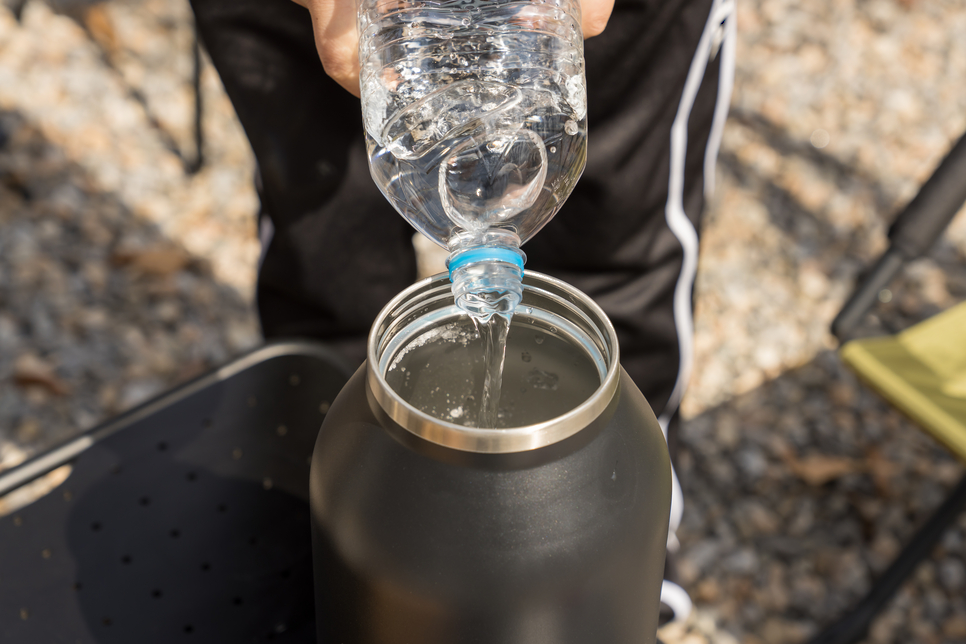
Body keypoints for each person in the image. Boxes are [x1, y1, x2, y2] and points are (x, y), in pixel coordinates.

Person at [188, 0, 736, 624]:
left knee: (615, 254)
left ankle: (638, 578)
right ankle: (335, 544)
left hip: (566, 26)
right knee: (327, 257)